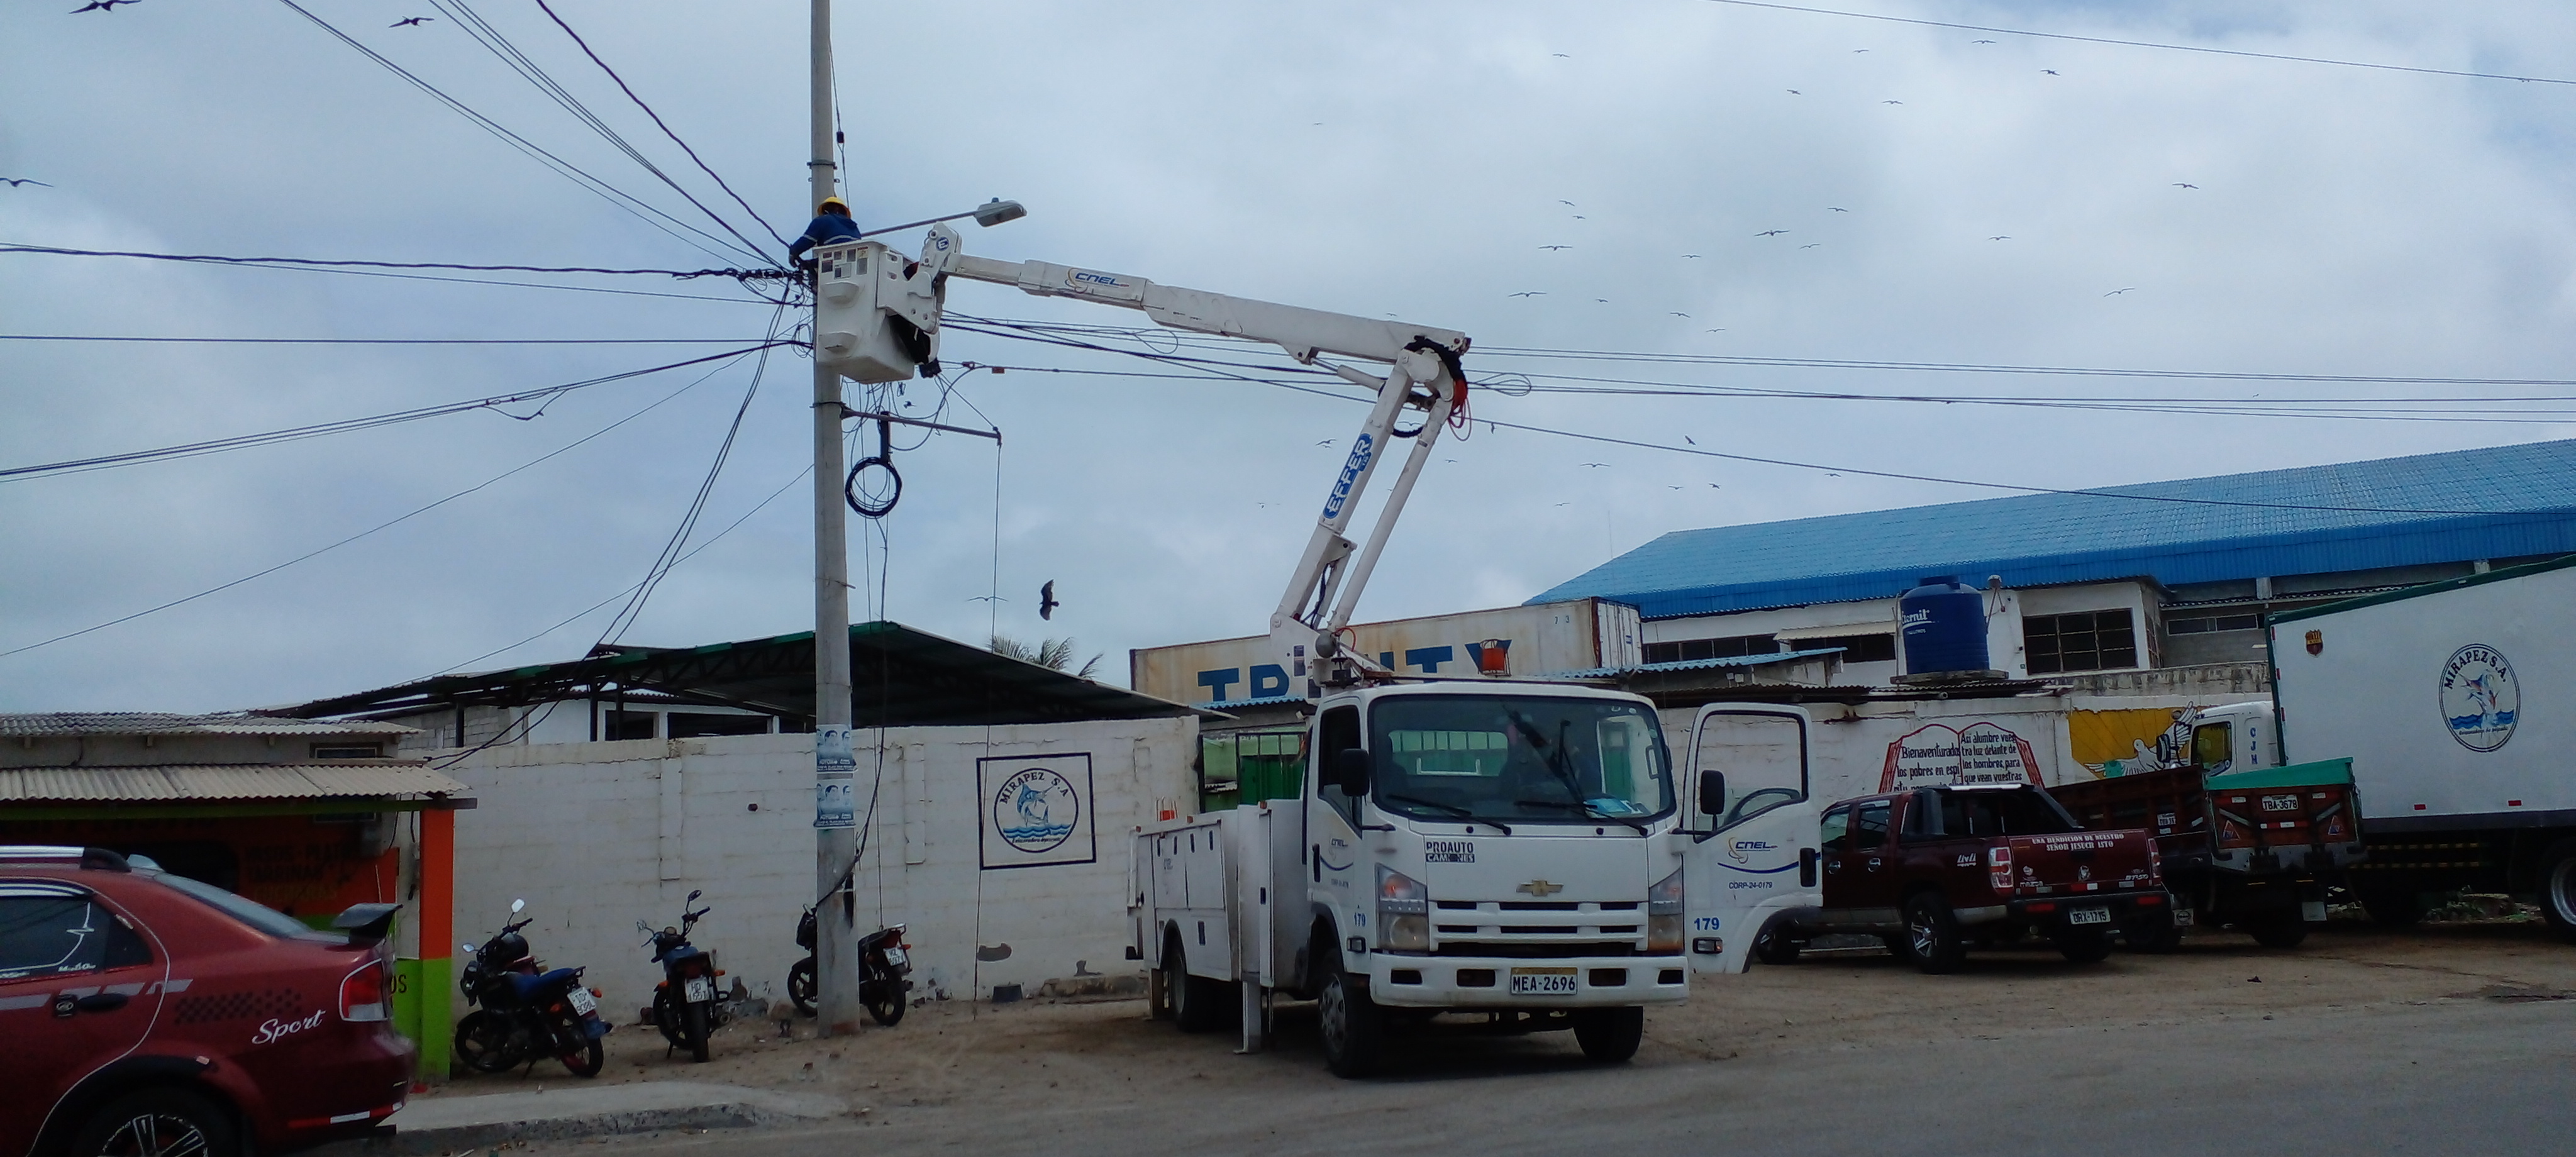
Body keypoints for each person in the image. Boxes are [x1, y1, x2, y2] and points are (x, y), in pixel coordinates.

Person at [787, 196, 862, 267]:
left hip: (835, 263)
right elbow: (842, 255)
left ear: (826, 210)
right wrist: (810, 263)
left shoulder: (822, 220)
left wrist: (793, 252)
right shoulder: (854, 227)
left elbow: (807, 240)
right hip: (855, 264)